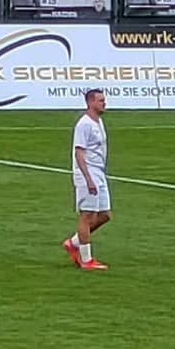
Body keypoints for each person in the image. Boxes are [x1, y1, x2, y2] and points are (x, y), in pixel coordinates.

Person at [64, 88, 111, 272]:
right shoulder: (84, 124)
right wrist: (88, 179)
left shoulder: (98, 121)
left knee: (105, 215)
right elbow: (79, 153)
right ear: (90, 102)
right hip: (88, 173)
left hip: (99, 172)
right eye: (100, 100)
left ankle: (74, 242)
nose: (104, 103)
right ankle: (86, 259)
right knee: (87, 216)